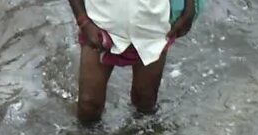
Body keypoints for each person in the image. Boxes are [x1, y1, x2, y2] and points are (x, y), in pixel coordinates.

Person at [66, 0, 198, 123]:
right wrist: (83, 20)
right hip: (99, 23)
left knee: (145, 101)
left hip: (152, 27)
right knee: (88, 105)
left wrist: (190, 8)